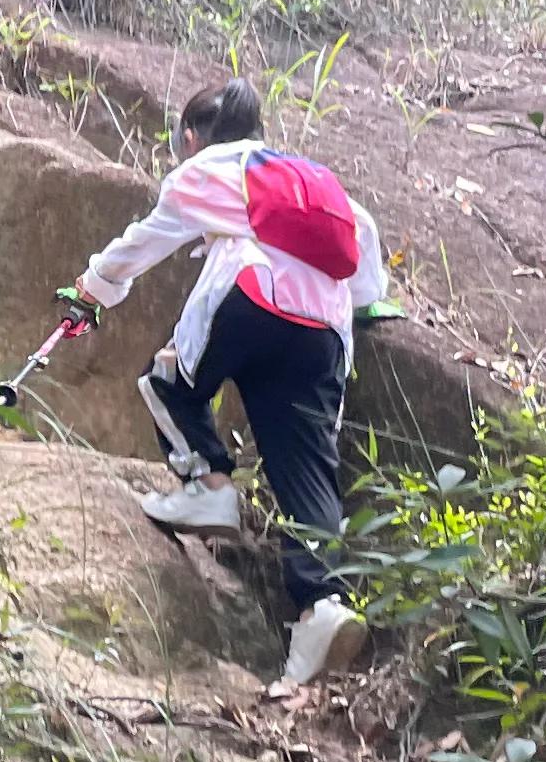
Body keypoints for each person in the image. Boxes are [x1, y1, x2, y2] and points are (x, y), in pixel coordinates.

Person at [60, 76, 388, 696]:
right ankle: (321, 607)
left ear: (190, 137)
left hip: (252, 295)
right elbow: (364, 262)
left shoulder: (209, 168)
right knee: (306, 467)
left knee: (169, 377)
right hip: (324, 330)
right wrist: (357, 304)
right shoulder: (319, 182)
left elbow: (145, 241)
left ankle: (209, 488)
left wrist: (93, 288)